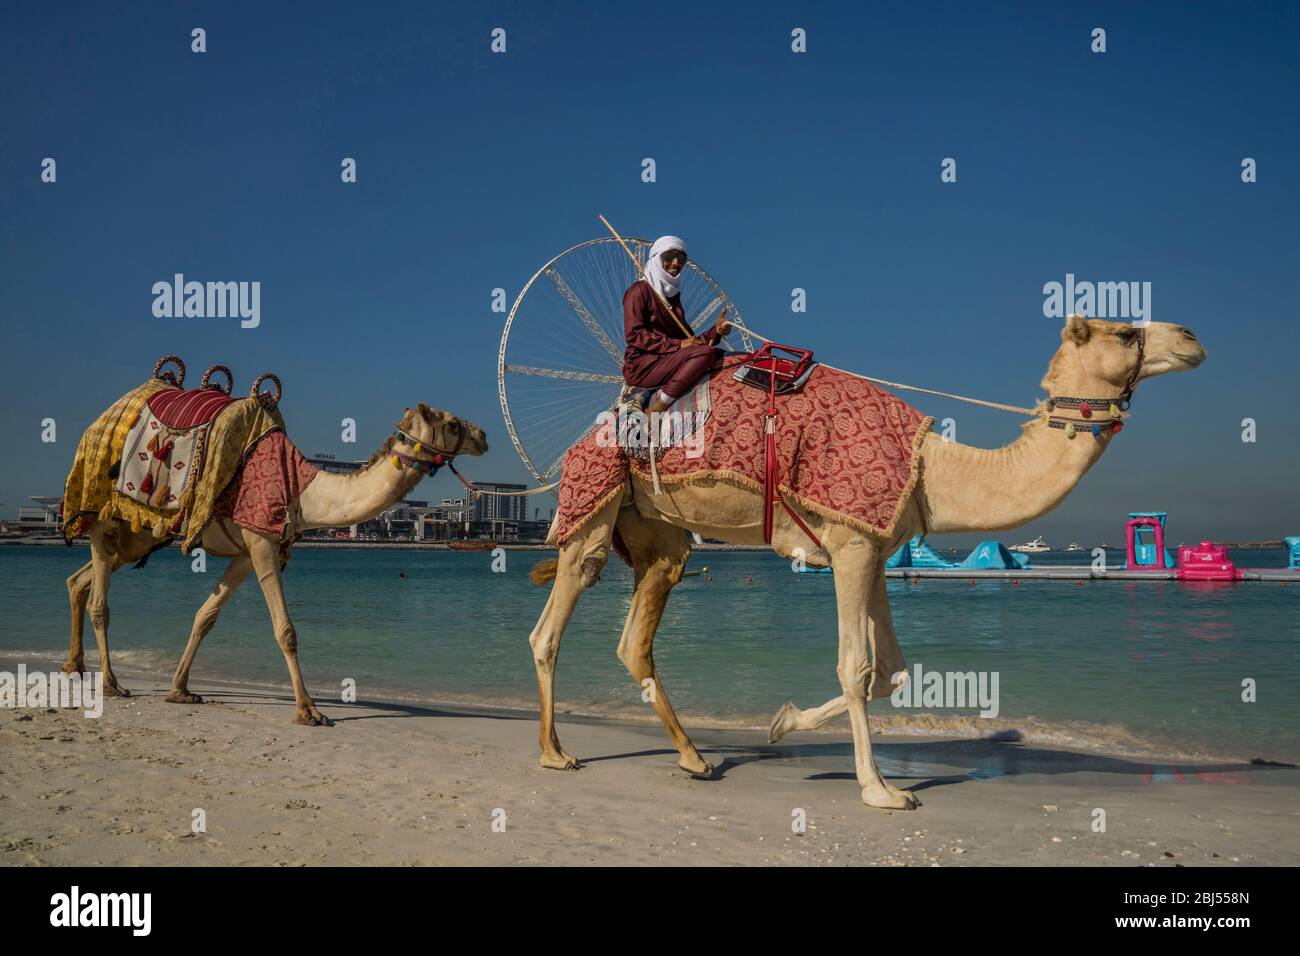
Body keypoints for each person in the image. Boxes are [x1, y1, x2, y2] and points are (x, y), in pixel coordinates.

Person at [623, 235, 731, 415]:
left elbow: (691, 342)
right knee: (705, 354)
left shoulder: (672, 298)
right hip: (644, 367)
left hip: (670, 360)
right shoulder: (639, 290)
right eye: (669, 256)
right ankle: (658, 407)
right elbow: (634, 335)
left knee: (721, 355)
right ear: (656, 258)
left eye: (681, 258)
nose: (675, 262)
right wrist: (679, 344)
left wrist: (716, 330)